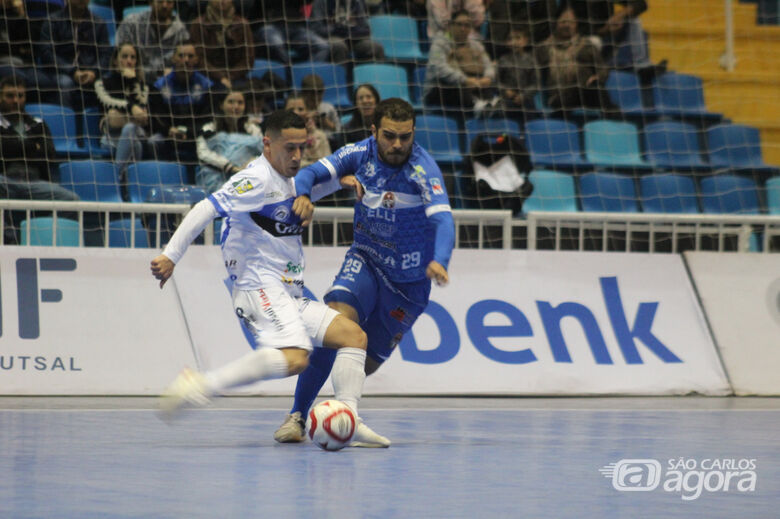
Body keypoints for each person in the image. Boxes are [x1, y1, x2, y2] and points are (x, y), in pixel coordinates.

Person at [150, 109, 388, 448]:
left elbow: (302, 192)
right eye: (288, 148)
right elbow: (207, 208)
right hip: (256, 285)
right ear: (266, 143)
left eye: (301, 148)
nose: (295, 156)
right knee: (297, 358)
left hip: (289, 291)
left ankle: (349, 419)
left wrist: (340, 181)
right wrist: (170, 255)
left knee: (353, 336)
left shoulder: (292, 179)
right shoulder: (256, 179)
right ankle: (201, 385)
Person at [273, 98, 454, 446]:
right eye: (389, 136)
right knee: (335, 328)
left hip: (408, 286)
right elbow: (308, 173)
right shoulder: (359, 153)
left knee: (363, 365)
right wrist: (306, 196)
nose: (398, 144)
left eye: (405, 136)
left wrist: (441, 260)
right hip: (367, 261)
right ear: (374, 131)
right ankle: (298, 416)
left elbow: (444, 219)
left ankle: (345, 415)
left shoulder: (423, 170)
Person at [0, 76, 79, 242]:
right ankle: (10, 242)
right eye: (10, 96)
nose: (16, 100)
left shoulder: (39, 124)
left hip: (34, 182)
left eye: (20, 96)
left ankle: (48, 239)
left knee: (72, 201)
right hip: (5, 180)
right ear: (1, 97)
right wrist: (31, 147)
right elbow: (4, 150)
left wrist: (14, 147)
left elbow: (48, 155)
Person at [534, 3, 620, 117]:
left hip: (586, 93)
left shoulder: (587, 45)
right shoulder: (544, 48)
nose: (567, 25)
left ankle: (614, 122)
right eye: (563, 22)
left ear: (576, 24)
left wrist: (598, 77)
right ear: (556, 23)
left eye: (571, 22)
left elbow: (603, 69)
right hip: (560, 98)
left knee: (597, 89)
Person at [148, 43, 219, 165]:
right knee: (153, 141)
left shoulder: (207, 86)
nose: (185, 60)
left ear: (196, 60)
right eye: (181, 55)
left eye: (190, 56)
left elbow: (208, 118)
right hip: (169, 134)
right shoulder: (159, 86)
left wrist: (188, 131)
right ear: (173, 59)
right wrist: (169, 130)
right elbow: (155, 116)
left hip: (195, 134)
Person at [37, 0, 112, 109]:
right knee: (65, 84)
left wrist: (94, 72)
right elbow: (46, 53)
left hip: (90, 73)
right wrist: (72, 71)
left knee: (109, 83)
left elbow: (106, 54)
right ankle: (66, 124)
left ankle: (103, 124)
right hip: (62, 72)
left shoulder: (98, 23)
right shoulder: (53, 20)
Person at [424, 10, 497, 117]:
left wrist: (488, 78)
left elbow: (488, 64)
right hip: (439, 90)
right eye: (459, 24)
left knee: (485, 82)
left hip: (470, 86)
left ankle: (491, 103)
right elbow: (439, 68)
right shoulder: (439, 44)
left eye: (467, 25)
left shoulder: (476, 45)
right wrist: (464, 80)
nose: (463, 29)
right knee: (455, 85)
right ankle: (477, 105)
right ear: (450, 26)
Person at [94, 43, 151, 182]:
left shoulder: (142, 87)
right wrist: (132, 110)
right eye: (124, 56)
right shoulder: (102, 83)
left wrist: (131, 81)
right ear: (115, 60)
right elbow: (109, 106)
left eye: (133, 57)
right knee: (133, 138)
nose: (129, 61)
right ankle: (130, 184)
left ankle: (117, 179)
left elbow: (143, 116)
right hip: (111, 138)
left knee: (130, 128)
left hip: (136, 134)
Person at [195, 90, 263, 193]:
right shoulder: (208, 128)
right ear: (221, 105)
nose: (235, 106)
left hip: (245, 177)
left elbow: (264, 152)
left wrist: (252, 162)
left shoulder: (254, 129)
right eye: (231, 102)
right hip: (214, 176)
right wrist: (231, 167)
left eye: (240, 103)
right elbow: (203, 153)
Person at [116, 0, 190, 84]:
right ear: (151, 3)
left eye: (169, 2)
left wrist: (174, 72)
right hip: (133, 80)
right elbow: (119, 55)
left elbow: (184, 62)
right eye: (160, 2)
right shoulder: (131, 23)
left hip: (167, 84)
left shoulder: (181, 31)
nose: (164, 5)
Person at [188, 0, 254, 90]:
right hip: (207, 76)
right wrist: (220, 77)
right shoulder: (198, 25)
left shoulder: (243, 24)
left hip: (236, 78)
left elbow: (248, 60)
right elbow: (199, 59)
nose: (222, 1)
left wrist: (229, 77)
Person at [310, 0, 385, 64]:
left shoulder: (356, 2)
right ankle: (342, 78)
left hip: (354, 38)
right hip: (331, 36)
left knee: (376, 47)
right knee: (339, 46)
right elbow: (316, 28)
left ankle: (376, 77)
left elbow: (366, 28)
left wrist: (353, 31)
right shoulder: (320, 2)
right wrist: (335, 29)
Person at [496, 27, 540, 122]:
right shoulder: (503, 60)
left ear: (525, 40)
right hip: (508, 99)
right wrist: (505, 90)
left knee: (530, 113)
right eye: (510, 39)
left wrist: (523, 95)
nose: (514, 42)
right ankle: (505, 136)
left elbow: (536, 84)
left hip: (526, 100)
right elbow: (497, 81)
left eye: (517, 38)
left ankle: (527, 135)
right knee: (502, 113)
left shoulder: (531, 61)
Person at [284, 93, 331, 168]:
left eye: (300, 109)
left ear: (307, 111)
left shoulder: (320, 136)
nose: (296, 112)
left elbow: (328, 162)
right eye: (291, 109)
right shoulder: (280, 137)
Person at [300, 73, 340, 144]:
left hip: (328, 143)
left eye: (319, 94)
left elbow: (340, 132)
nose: (316, 98)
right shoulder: (300, 110)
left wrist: (328, 124)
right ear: (304, 94)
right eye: (312, 96)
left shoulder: (329, 108)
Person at [337, 83, 379, 148]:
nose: (365, 101)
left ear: (376, 101)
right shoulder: (347, 130)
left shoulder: (384, 126)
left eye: (369, 97)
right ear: (355, 104)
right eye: (360, 98)